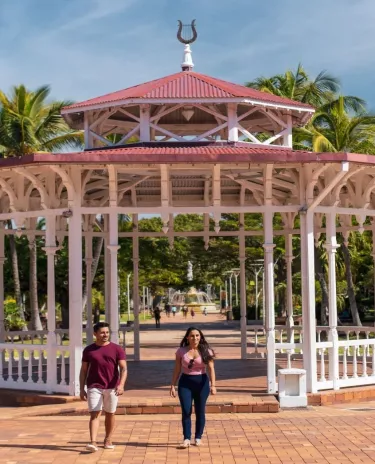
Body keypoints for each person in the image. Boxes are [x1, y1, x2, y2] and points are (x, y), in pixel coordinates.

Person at [80, 322, 127, 452]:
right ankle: (93, 442)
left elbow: (123, 368)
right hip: (94, 386)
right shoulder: (88, 350)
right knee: (95, 413)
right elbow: (83, 370)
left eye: (107, 332)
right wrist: (81, 389)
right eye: (102, 332)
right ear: (95, 334)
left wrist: (121, 385)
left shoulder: (117, 349)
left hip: (112, 387)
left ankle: (108, 439)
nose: (105, 335)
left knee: (110, 413)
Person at [170, 327, 216, 448]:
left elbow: (211, 369)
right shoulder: (181, 351)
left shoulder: (207, 351)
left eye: (197, 335)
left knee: (200, 411)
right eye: (192, 336)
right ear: (187, 337)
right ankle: (186, 438)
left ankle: (198, 437)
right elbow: (177, 369)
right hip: (185, 383)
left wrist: (213, 385)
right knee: (186, 410)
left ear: (200, 337)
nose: (194, 338)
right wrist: (172, 385)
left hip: (202, 383)